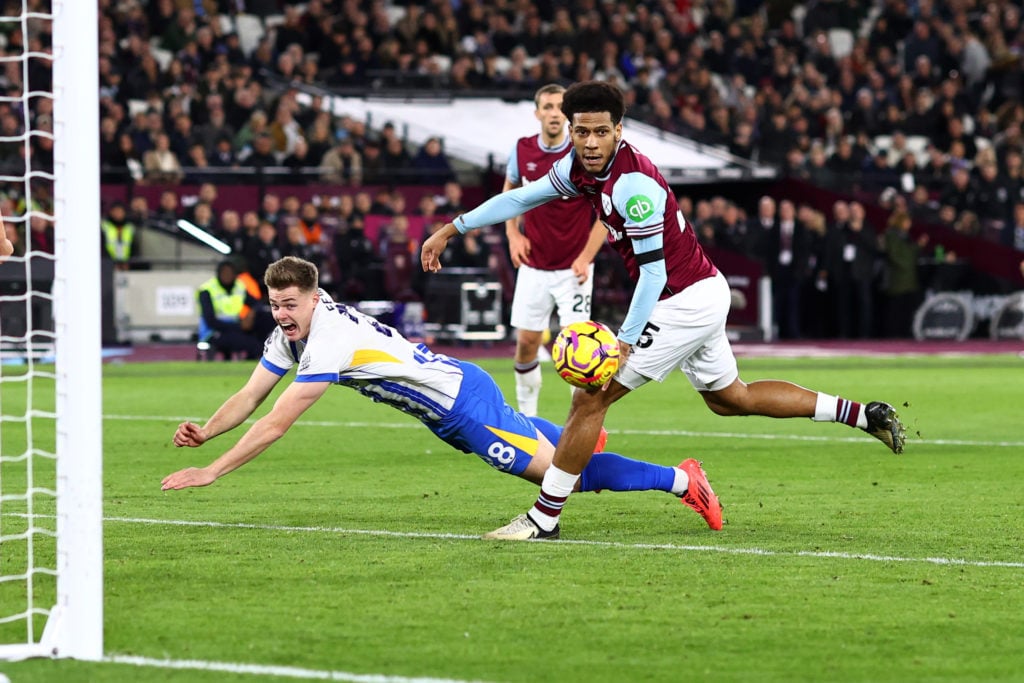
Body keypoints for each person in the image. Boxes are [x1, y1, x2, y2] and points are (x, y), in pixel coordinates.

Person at [421, 81, 906, 541]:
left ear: (619, 131)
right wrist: (453, 228)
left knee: (590, 397)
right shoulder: (577, 169)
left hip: (683, 299)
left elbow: (653, 275)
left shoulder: (632, 185)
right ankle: (863, 415)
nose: (590, 142)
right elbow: (522, 196)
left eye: (601, 132)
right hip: (699, 289)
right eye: (582, 131)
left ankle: (544, 518)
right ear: (571, 131)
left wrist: (626, 340)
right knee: (730, 399)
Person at [162, 256, 722, 535]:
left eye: (290, 304)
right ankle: (576, 438)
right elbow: (252, 394)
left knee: (565, 478)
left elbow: (276, 423)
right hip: (453, 399)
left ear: (314, 297)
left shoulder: (327, 340)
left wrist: (214, 470)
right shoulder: (295, 331)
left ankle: (681, 479)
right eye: (275, 304)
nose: (281, 314)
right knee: (569, 458)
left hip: (462, 406)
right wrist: (208, 429)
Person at [503, 83, 608, 417]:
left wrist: (586, 257)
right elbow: (510, 191)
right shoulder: (521, 150)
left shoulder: (583, 152)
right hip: (534, 267)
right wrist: (512, 234)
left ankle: (579, 426)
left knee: (582, 352)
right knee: (526, 344)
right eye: (546, 106)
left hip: (573, 270)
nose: (552, 113)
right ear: (537, 113)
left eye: (558, 107)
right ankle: (528, 421)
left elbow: (608, 211)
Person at [196, 259, 266, 360]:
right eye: (224, 273)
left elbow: (257, 304)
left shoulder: (238, 287)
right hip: (213, 332)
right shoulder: (207, 290)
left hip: (234, 329)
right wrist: (240, 326)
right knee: (252, 344)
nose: (227, 275)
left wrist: (251, 314)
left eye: (230, 273)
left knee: (264, 320)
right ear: (218, 274)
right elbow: (211, 321)